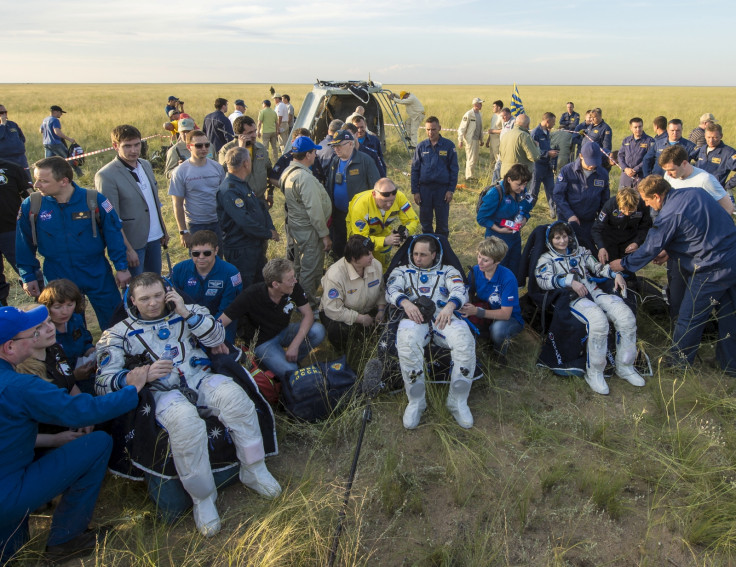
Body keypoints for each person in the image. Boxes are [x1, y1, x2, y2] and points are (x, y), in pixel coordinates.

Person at [97, 273, 281, 537]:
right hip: (163, 392)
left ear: (168, 293)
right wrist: (140, 375)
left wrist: (185, 312)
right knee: (185, 423)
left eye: (158, 296)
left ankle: (254, 469)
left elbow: (218, 338)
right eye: (145, 299)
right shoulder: (117, 333)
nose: (153, 303)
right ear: (133, 301)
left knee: (236, 399)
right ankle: (203, 498)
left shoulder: (190, 311)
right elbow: (103, 381)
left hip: (201, 378)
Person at [0, 305, 150, 565]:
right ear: (9, 348)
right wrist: (131, 390)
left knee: (14, 551)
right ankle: (67, 538)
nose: (39, 335)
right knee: (98, 443)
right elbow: (79, 412)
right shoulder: (18, 386)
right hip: (8, 491)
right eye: (33, 333)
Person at [611, 177, 736, 374]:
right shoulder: (695, 193)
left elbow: (650, 248)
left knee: (690, 316)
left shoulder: (669, 214)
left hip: (712, 268)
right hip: (731, 255)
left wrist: (623, 264)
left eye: (647, 199)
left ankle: (679, 365)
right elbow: (697, 229)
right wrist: (670, 250)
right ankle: (730, 364)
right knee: (729, 313)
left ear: (658, 197)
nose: (645, 204)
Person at [16, 157, 130, 330]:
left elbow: (114, 234)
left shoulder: (94, 200)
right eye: (36, 179)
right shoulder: (32, 206)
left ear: (64, 181)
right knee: (66, 326)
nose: (36, 185)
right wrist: (28, 276)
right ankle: (77, 354)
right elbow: (23, 243)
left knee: (115, 320)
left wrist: (121, 267)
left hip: (96, 271)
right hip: (57, 273)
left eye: (43, 181)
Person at [535, 222, 644, 395]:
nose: (562, 241)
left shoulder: (582, 252)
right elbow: (542, 281)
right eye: (557, 238)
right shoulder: (546, 260)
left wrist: (615, 274)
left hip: (594, 292)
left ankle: (625, 366)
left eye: (564, 236)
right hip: (574, 299)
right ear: (550, 240)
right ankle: (595, 372)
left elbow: (598, 268)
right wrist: (569, 281)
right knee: (599, 322)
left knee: (626, 317)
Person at [387, 234, 476, 429]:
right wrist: (406, 303)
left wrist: (451, 306)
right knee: (408, 343)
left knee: (465, 343)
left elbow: (460, 290)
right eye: (415, 254)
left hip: (444, 316)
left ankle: (457, 401)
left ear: (434, 255)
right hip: (414, 318)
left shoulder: (448, 271)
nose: (418, 258)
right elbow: (391, 289)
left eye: (423, 255)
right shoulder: (403, 271)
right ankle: (416, 402)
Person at [220, 258, 326, 379]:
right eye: (290, 279)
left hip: (284, 331)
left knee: (318, 331)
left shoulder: (293, 287)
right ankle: (277, 365)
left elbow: (308, 315)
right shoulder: (251, 295)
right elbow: (222, 321)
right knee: (291, 371)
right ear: (275, 284)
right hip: (263, 342)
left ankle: (291, 359)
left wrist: (295, 345)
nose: (295, 280)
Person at [95, 124, 168, 277]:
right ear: (115, 146)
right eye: (127, 146)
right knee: (136, 290)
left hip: (155, 237)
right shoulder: (106, 175)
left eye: (137, 145)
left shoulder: (146, 164)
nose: (134, 150)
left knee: (155, 284)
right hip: (133, 243)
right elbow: (111, 218)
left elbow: (154, 202)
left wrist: (163, 230)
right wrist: (127, 249)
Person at [279, 136, 332, 308]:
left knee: (300, 265)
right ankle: (308, 303)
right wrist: (324, 235)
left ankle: (298, 296)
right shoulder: (304, 178)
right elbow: (314, 210)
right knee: (311, 266)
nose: (316, 155)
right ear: (308, 154)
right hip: (309, 230)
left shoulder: (289, 172)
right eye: (314, 152)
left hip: (298, 226)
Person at [217, 147, 278, 288]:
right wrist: (267, 233)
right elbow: (244, 221)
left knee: (260, 283)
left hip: (253, 245)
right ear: (246, 163)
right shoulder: (229, 189)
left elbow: (260, 207)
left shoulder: (242, 184)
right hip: (241, 249)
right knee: (245, 287)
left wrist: (270, 227)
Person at [171, 230, 243, 344]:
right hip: (188, 321)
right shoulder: (179, 270)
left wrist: (208, 331)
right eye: (195, 253)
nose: (201, 257)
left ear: (216, 250)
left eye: (207, 253)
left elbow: (229, 309)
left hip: (221, 324)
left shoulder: (230, 272)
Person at [320, 235, 386, 351]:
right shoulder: (335, 275)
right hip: (341, 314)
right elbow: (332, 309)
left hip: (368, 309)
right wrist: (360, 318)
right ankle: (346, 352)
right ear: (354, 259)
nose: (372, 257)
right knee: (337, 330)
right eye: (367, 255)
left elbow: (381, 290)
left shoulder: (376, 265)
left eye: (371, 252)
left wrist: (381, 310)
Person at [459, 237, 524, 356]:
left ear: (497, 262)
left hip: (509, 318)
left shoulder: (508, 278)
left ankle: (499, 353)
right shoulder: (475, 271)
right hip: (485, 310)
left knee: (497, 330)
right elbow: (469, 294)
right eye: (479, 256)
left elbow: (505, 314)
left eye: (485, 260)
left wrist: (477, 312)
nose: (479, 262)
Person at [326, 129, 380, 256]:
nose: (336, 149)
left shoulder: (365, 161)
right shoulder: (335, 161)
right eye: (334, 146)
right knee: (339, 246)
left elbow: (376, 188)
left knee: (358, 248)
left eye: (339, 145)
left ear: (351, 144)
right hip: (339, 214)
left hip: (359, 215)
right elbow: (330, 185)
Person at [169, 130, 225, 250]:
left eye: (207, 145)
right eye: (199, 146)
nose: (204, 148)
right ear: (189, 147)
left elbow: (224, 196)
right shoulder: (180, 171)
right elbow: (177, 204)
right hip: (196, 224)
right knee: (200, 261)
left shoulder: (217, 168)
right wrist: (183, 231)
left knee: (218, 259)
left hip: (218, 222)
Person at [346, 178, 420, 271]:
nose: (389, 205)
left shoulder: (399, 197)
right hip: (359, 235)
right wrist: (384, 241)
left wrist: (406, 230)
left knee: (383, 264)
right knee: (362, 260)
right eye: (385, 201)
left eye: (392, 201)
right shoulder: (361, 206)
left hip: (382, 229)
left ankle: (382, 279)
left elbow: (413, 219)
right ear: (374, 194)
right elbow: (361, 239)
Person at [475, 163, 533, 277]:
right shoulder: (496, 193)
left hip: (514, 238)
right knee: (497, 271)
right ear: (509, 179)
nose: (522, 188)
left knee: (513, 269)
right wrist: (499, 229)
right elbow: (481, 218)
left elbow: (526, 208)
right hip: (497, 239)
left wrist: (524, 220)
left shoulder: (522, 191)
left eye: (525, 184)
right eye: (519, 184)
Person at [37, 279, 96, 390]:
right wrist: (73, 376)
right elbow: (44, 372)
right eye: (58, 307)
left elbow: (85, 342)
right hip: (59, 386)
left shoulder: (75, 319)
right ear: (47, 307)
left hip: (85, 373)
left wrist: (92, 352)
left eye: (70, 305)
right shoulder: (42, 333)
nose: (65, 311)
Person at [552, 142, 610, 249]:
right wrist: (569, 215)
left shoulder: (603, 174)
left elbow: (605, 201)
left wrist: (602, 221)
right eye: (589, 162)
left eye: (595, 162)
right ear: (581, 156)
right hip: (568, 219)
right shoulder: (567, 171)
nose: (592, 166)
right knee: (566, 249)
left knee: (586, 249)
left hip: (589, 221)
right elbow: (558, 195)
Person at [410, 116, 459, 237]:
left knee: (442, 223)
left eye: (433, 129)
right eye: (428, 129)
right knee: (425, 223)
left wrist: (450, 190)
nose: (430, 132)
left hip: (442, 190)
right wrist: (415, 191)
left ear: (439, 128)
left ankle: (441, 249)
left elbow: (454, 169)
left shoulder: (448, 146)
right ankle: (428, 247)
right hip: (425, 190)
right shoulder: (421, 147)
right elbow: (415, 169)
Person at [659, 144, 733, 214]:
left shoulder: (705, 180)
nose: (668, 173)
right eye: (666, 170)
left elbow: (728, 208)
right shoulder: (668, 176)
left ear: (684, 163)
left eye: (672, 170)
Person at [218, 115, 274, 205]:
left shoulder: (260, 148)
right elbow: (225, 172)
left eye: (255, 131)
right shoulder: (227, 150)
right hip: (239, 201)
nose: (254, 135)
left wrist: (270, 193)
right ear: (239, 135)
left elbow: (269, 172)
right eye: (250, 133)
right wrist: (240, 149)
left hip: (260, 200)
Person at [591, 186, 653, 264]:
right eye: (624, 210)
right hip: (610, 240)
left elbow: (645, 227)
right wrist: (601, 247)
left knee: (627, 268)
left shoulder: (643, 205)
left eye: (631, 211)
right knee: (611, 268)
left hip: (629, 241)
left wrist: (637, 242)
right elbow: (596, 229)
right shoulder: (610, 205)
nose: (627, 213)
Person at [0, 157, 31, 306]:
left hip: (11, 231)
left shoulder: (12, 167)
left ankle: (48, 315)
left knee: (29, 274)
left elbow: (30, 196)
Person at [529, 112, 560, 217]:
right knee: (534, 190)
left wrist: (552, 152)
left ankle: (554, 211)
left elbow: (544, 147)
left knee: (552, 189)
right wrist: (547, 153)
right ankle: (527, 210)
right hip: (537, 166)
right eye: (553, 122)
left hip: (548, 165)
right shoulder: (535, 133)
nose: (554, 124)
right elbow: (533, 151)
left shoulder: (547, 132)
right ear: (547, 121)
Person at [40, 105, 81, 177]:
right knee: (69, 159)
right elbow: (57, 132)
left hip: (46, 143)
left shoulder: (45, 120)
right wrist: (69, 139)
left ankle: (46, 176)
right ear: (55, 112)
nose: (61, 114)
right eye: (60, 112)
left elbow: (41, 130)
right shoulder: (55, 120)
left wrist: (48, 134)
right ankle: (80, 175)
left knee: (48, 163)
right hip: (56, 143)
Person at [695, 123, 736, 190]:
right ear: (705, 136)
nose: (711, 141)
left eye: (715, 137)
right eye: (709, 137)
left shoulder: (728, 153)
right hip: (699, 191)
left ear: (721, 136)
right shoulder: (702, 149)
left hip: (716, 193)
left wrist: (727, 186)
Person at [617, 117, 655, 188]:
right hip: (626, 176)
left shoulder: (649, 141)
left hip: (640, 177)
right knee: (622, 198)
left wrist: (635, 170)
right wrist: (625, 168)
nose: (638, 129)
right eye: (635, 127)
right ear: (631, 128)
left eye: (640, 127)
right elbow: (620, 156)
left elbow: (649, 158)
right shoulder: (626, 140)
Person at [499, 113, 539, 178]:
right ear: (528, 125)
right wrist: (537, 147)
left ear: (515, 122)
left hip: (505, 172)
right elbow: (534, 157)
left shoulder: (505, 135)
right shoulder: (524, 136)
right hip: (520, 174)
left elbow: (501, 156)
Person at [457, 97, 484, 183]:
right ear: (475, 105)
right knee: (471, 158)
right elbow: (462, 128)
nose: (481, 105)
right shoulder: (468, 114)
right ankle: (468, 177)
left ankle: (470, 175)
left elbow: (480, 128)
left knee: (474, 158)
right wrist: (460, 140)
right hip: (470, 139)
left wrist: (481, 139)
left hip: (476, 139)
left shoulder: (479, 114)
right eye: (480, 103)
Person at [0, 103, 29, 174]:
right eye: (1, 113)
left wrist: (19, 144)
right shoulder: (2, 125)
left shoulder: (12, 124)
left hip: (20, 157)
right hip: (5, 159)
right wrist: (2, 124)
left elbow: (22, 137)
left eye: (5, 112)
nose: (4, 114)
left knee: (26, 178)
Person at [484, 100, 504, 173]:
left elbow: (504, 130)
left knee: (498, 159)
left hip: (498, 141)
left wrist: (493, 131)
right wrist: (488, 140)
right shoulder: (494, 116)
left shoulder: (502, 117)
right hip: (492, 141)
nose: (492, 108)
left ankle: (500, 175)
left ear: (499, 107)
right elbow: (491, 128)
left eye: (494, 106)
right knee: (492, 159)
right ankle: (492, 175)